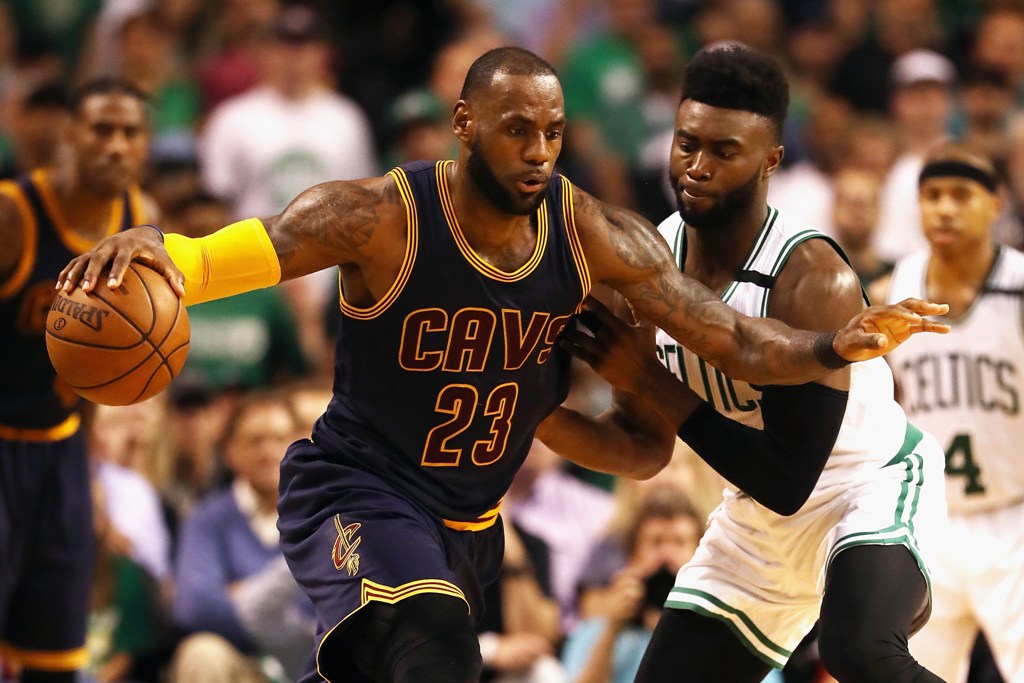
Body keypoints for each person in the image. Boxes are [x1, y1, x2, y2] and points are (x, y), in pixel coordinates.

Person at [57, 47, 947, 683]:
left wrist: (837, 344)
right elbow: (253, 249)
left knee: (413, 651)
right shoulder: (376, 215)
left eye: (553, 132)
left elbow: (698, 386)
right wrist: (170, 253)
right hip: (359, 487)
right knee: (437, 643)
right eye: (516, 129)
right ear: (463, 123)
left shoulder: (598, 236)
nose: (537, 151)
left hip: (473, 521)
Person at [555, 44, 948, 682]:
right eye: (687, 144)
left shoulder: (813, 277)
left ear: (771, 161)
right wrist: (530, 419)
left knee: (858, 652)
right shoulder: (654, 259)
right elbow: (644, 451)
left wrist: (646, 378)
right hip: (755, 514)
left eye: (723, 151)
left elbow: (790, 481)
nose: (696, 168)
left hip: (864, 485)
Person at [0, 77, 154, 683]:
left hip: (61, 449)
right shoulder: (15, 215)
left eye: (131, 132)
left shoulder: (143, 222)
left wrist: (89, 469)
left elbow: (101, 366)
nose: (116, 146)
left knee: (56, 654)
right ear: (70, 134)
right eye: (101, 129)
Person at [871, 142, 1024, 683]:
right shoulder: (891, 293)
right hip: (927, 520)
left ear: (996, 203)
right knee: (915, 671)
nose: (944, 209)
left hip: (1015, 517)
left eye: (961, 195)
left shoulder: (1019, 288)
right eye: (932, 195)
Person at [170, 392, 313, 683]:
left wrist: (242, 592)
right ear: (231, 452)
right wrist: (272, 608)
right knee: (201, 654)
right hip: (242, 666)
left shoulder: (319, 518)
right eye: (255, 440)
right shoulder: (207, 519)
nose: (268, 451)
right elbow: (195, 607)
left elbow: (332, 609)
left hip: (311, 664)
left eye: (279, 438)